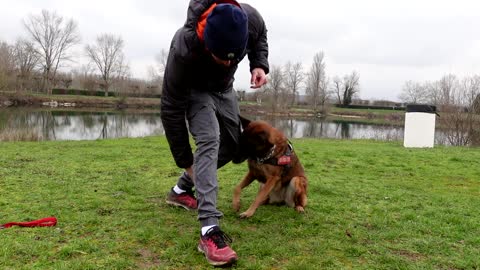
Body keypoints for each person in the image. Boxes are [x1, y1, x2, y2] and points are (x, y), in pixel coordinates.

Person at [161, 0, 269, 266]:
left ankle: (179, 190)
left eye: (233, 58)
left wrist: (259, 64)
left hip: (224, 90)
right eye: (221, 56)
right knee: (210, 140)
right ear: (207, 40)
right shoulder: (184, 47)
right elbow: (171, 109)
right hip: (195, 92)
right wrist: (186, 162)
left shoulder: (250, 19)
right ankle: (209, 230)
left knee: (233, 149)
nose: (226, 62)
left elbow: (261, 36)